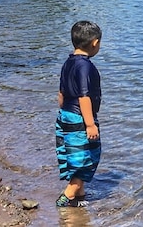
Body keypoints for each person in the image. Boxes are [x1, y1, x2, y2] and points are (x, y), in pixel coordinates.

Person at [55, 21, 104, 208]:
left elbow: (61, 93)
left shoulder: (68, 63)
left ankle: (79, 196)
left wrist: (63, 113)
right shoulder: (86, 66)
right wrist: (90, 124)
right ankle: (67, 196)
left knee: (74, 154)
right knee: (87, 158)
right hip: (80, 118)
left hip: (66, 115)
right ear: (95, 43)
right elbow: (84, 97)